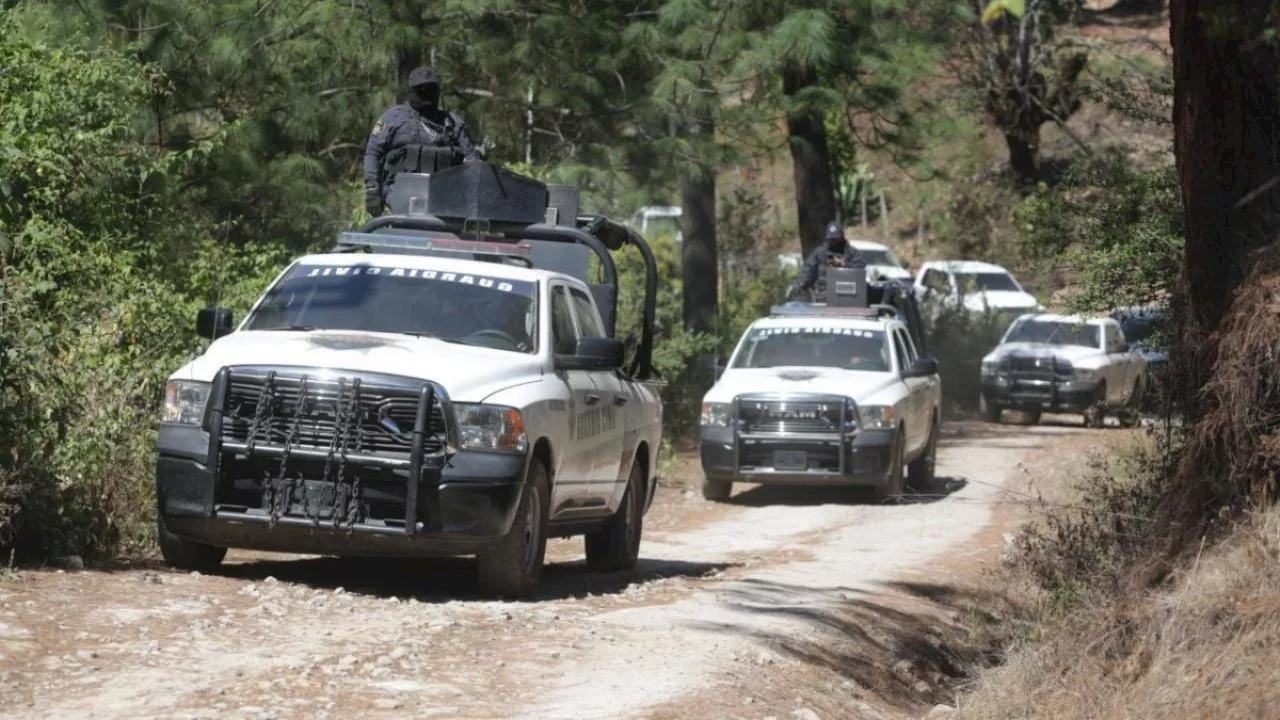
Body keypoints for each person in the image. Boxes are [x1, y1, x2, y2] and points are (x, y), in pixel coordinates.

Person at [363, 66, 479, 216]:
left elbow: (471, 162)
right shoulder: (394, 118)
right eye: (421, 89)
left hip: (445, 197)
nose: (426, 93)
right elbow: (373, 153)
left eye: (431, 88)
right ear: (412, 90)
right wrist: (373, 190)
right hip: (398, 192)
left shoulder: (452, 123)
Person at [788, 221, 868, 299]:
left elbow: (861, 265)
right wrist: (800, 282)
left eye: (836, 239)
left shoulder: (852, 252)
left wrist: (843, 264)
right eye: (831, 239)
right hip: (823, 296)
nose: (833, 242)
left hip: (847, 296)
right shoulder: (820, 252)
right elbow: (808, 268)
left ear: (842, 237)